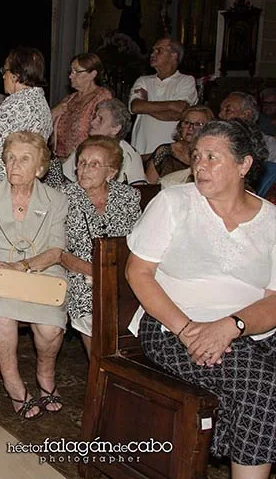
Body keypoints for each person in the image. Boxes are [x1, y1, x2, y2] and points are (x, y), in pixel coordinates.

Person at [126, 119, 275, 479]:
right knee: (262, 386)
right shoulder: (175, 202)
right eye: (197, 156)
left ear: (244, 165)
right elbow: (138, 273)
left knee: (258, 376)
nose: (200, 166)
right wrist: (189, 329)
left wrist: (231, 325)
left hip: (248, 332)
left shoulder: (271, 220)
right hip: (171, 327)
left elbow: (273, 301)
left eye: (213, 157)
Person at [0, 131, 67, 418]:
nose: (14, 165)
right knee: (3, 319)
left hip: (39, 270)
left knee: (51, 328)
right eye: (10, 159)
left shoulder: (56, 201)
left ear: (40, 168)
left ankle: (45, 376)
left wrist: (19, 267)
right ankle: (13, 384)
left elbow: (56, 251)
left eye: (24, 159)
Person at [61, 136, 141, 353]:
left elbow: (139, 243)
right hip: (79, 273)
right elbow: (58, 251)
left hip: (124, 273)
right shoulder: (61, 198)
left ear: (111, 172)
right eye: (82, 162)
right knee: (90, 305)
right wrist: (96, 272)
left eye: (95, 164)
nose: (85, 169)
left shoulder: (129, 197)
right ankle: (101, 364)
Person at [0, 47, 53, 184]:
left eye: (5, 71)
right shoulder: (42, 104)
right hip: (25, 182)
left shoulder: (15, 105)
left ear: (15, 75)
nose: (3, 76)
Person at [129, 38, 197, 155]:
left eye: (158, 50)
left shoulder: (186, 81)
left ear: (173, 56)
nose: (152, 54)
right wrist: (171, 104)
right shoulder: (143, 80)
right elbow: (136, 106)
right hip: (141, 150)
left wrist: (147, 105)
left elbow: (180, 112)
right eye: (153, 50)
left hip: (172, 152)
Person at [62, 98, 147, 185]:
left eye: (100, 119)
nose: (92, 122)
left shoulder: (130, 154)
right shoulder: (84, 148)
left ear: (116, 129)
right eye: (94, 117)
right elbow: (66, 180)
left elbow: (138, 190)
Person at [51, 53, 113, 159]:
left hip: (85, 160)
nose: (71, 76)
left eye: (77, 72)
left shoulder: (102, 96)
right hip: (61, 162)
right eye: (71, 71)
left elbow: (105, 133)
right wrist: (52, 114)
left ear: (93, 74)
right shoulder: (69, 99)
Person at [145, 105, 214, 184]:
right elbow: (148, 188)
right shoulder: (165, 152)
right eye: (186, 123)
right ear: (180, 127)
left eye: (198, 124)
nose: (190, 128)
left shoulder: (212, 155)